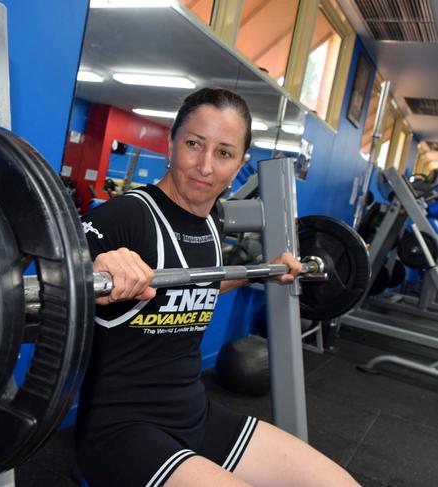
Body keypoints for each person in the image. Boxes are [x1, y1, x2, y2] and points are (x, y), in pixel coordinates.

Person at [75, 87, 359, 487]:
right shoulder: (126, 216)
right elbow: (55, 281)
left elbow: (205, 281)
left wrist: (263, 270)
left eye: (223, 153)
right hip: (121, 429)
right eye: (194, 144)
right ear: (171, 143)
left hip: (194, 414)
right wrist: (95, 266)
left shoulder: (210, 225)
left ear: (240, 163)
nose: (205, 166)